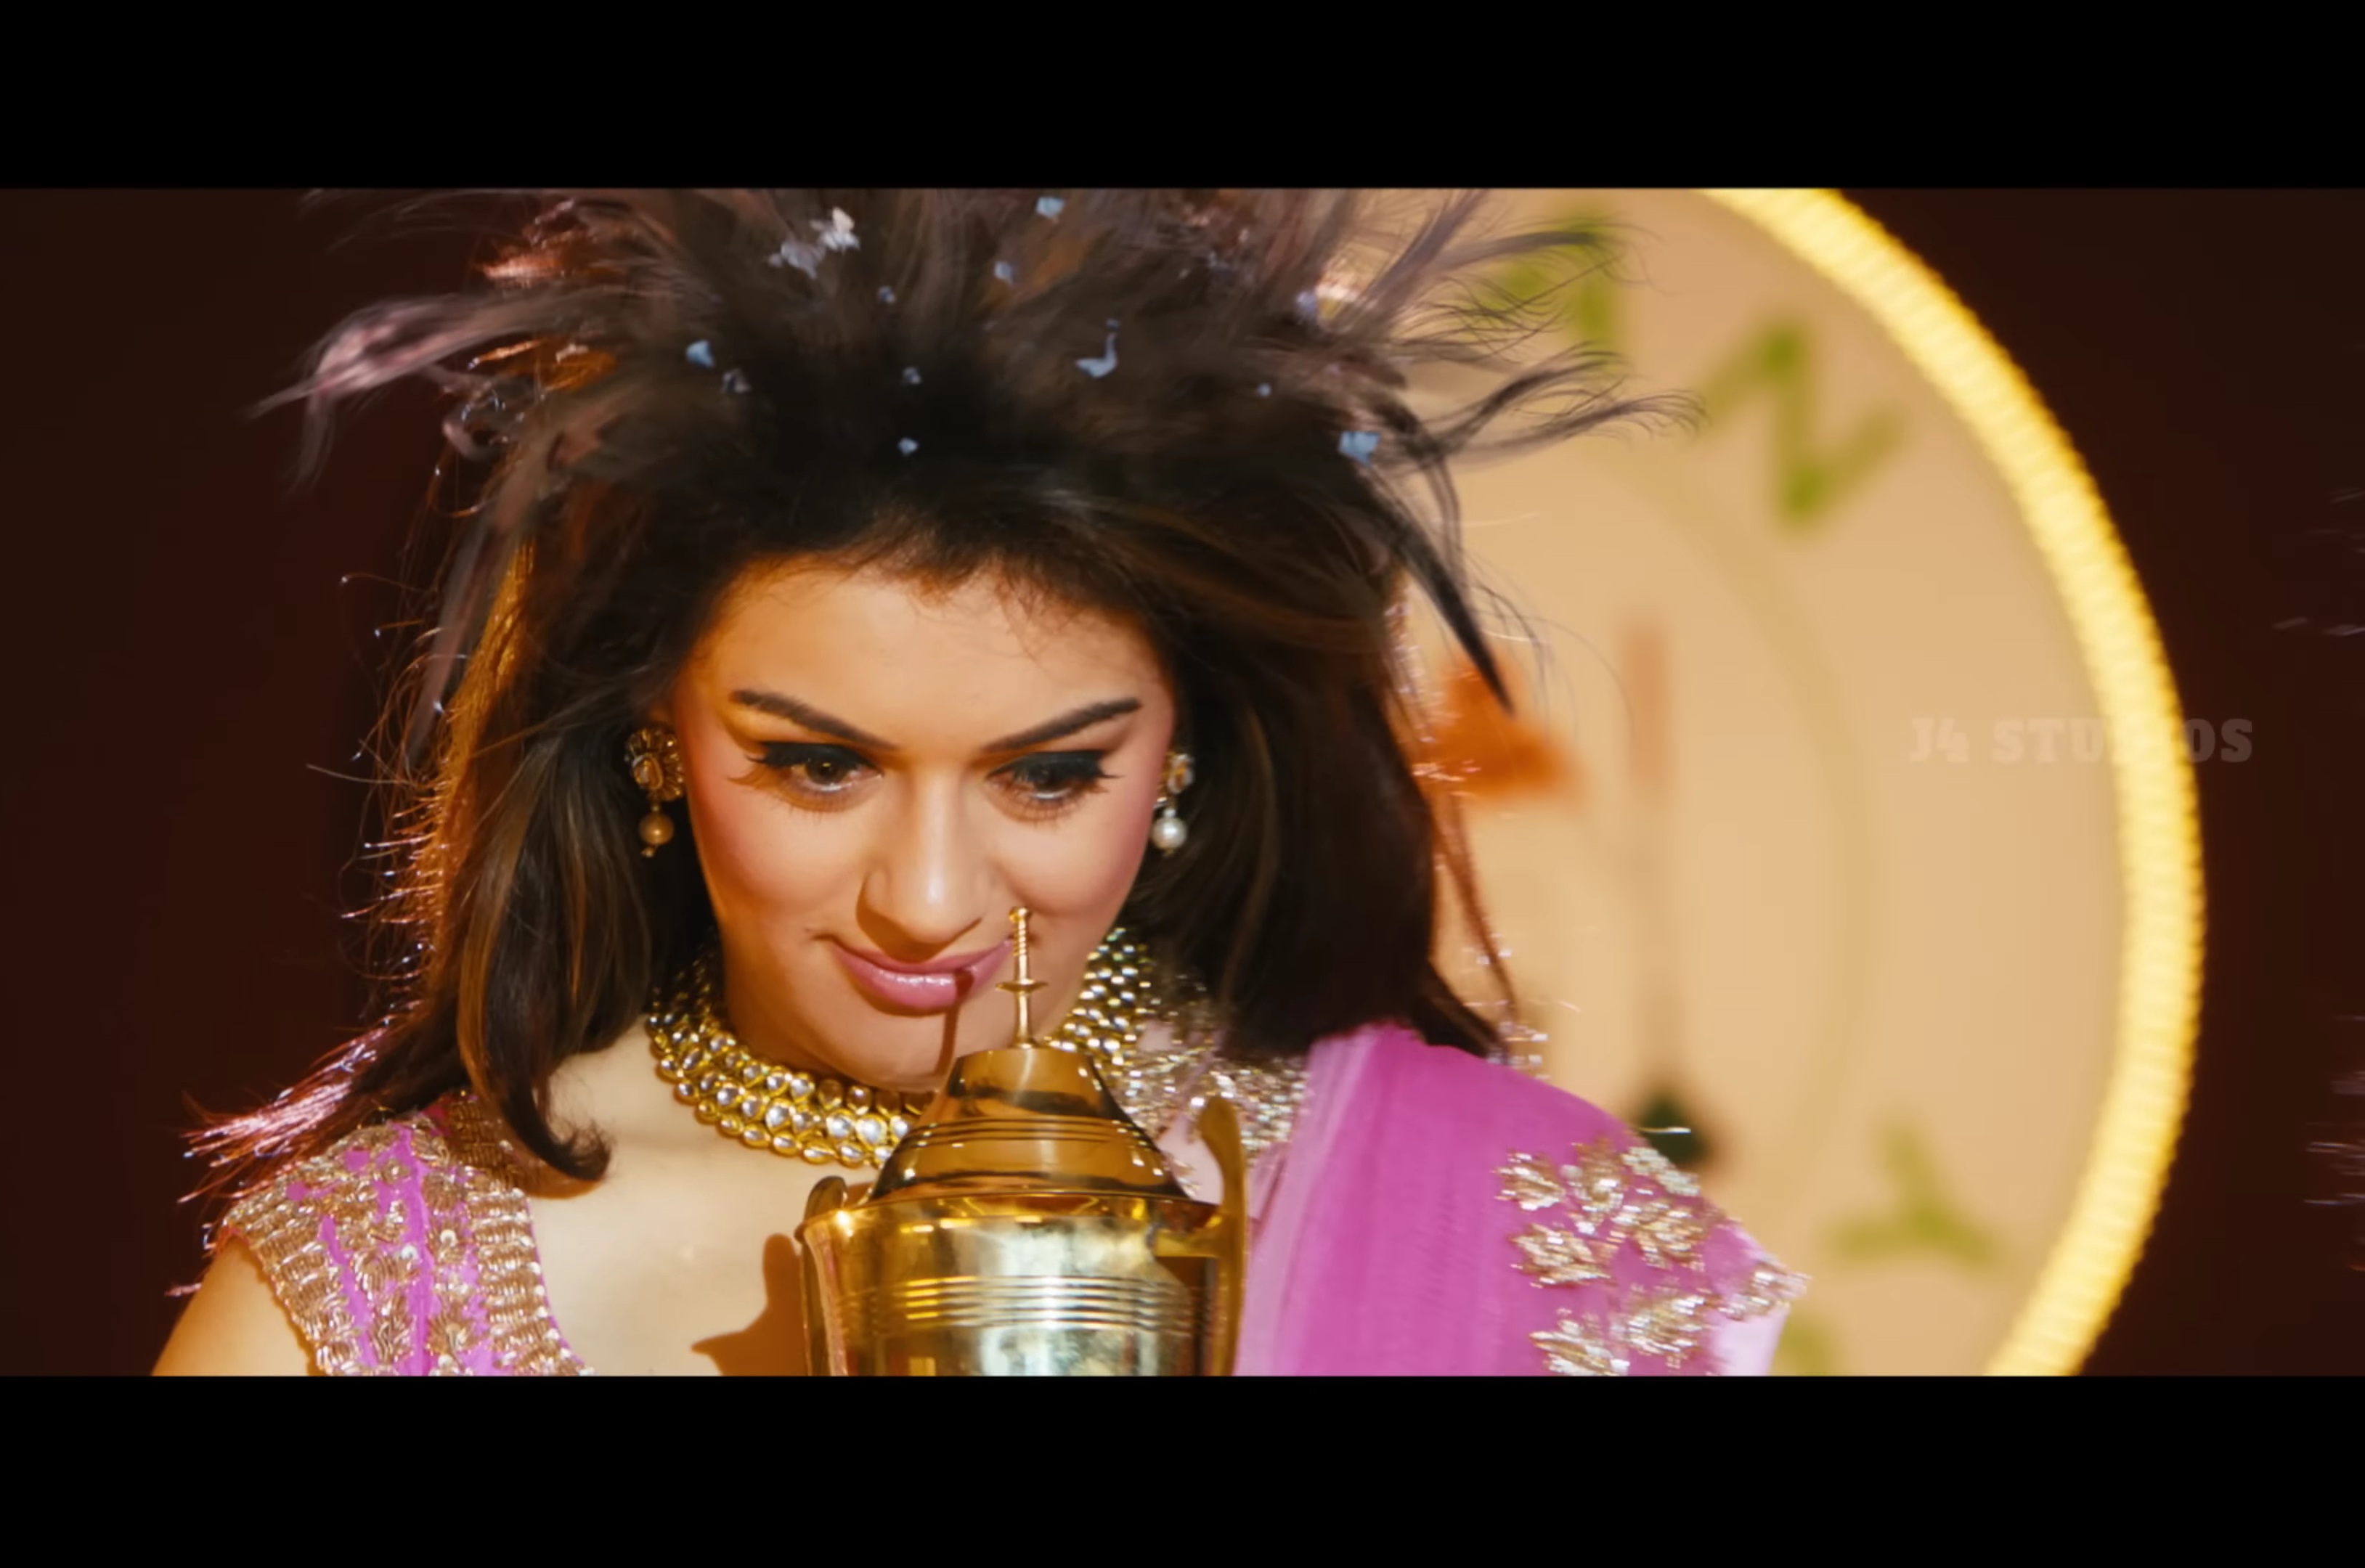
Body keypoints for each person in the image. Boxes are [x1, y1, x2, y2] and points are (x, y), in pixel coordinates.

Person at [153, 189, 1802, 1376]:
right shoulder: (368, 1295)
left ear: (1183, 750)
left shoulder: (1501, 1217)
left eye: (1049, 777)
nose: (929, 902)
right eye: (818, 767)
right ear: (654, 728)